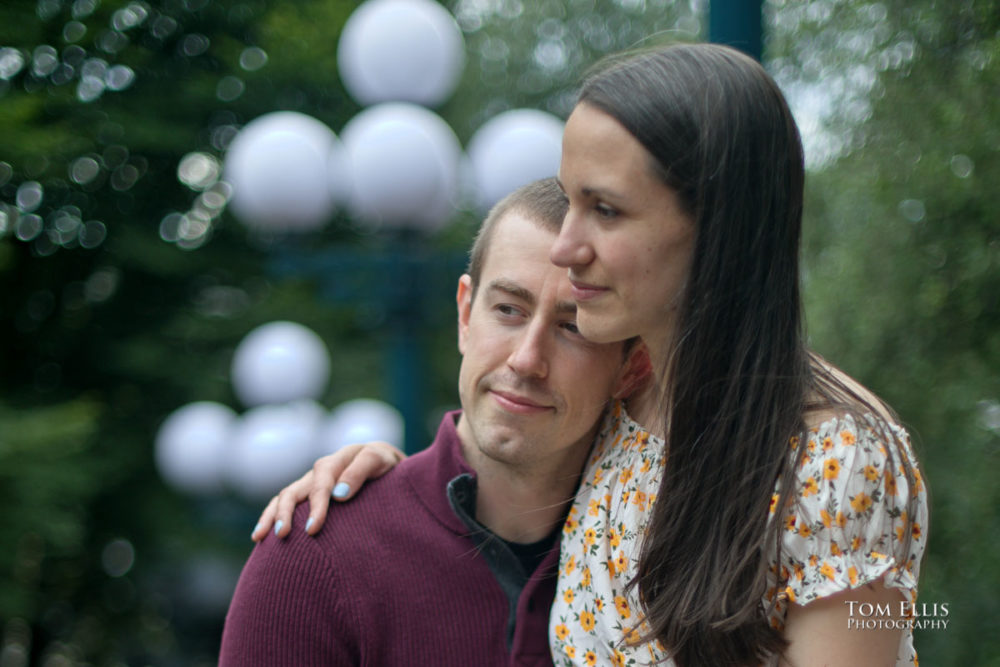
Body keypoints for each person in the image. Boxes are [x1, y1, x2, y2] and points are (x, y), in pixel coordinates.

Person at [256, 43, 929, 667]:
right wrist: (384, 481)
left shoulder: (836, 459)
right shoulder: (616, 412)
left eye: (605, 209)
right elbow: (496, 471)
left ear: (718, 228)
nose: (565, 245)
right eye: (570, 198)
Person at [218, 178, 649, 666]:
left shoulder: (659, 567)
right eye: (508, 309)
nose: (527, 360)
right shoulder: (315, 559)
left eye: (573, 328)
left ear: (632, 368)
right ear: (465, 314)